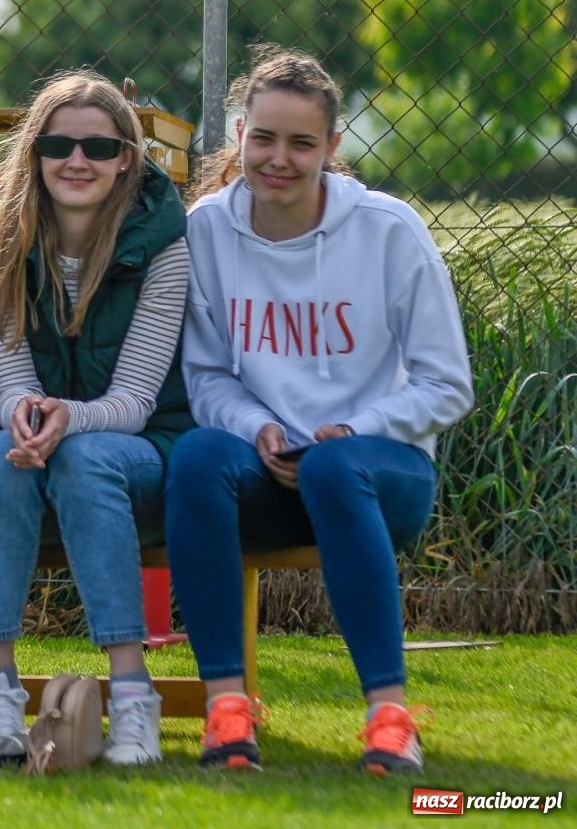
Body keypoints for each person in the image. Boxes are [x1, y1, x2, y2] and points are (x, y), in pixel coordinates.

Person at [167, 47, 473, 775]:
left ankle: (390, 718)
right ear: (239, 135)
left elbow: (447, 385)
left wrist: (358, 429)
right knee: (197, 456)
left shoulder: (388, 231)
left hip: (379, 475)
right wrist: (255, 427)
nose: (279, 158)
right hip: (265, 474)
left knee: (337, 466)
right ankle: (227, 708)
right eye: (264, 138)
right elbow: (207, 375)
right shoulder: (207, 229)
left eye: (302, 143)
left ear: (332, 148)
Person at [0, 70, 193, 765]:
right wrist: (27, 417)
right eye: (58, 145)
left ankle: (132, 696)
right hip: (43, 439)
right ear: (34, 153)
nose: (76, 161)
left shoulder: (163, 248)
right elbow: (8, 385)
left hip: (142, 447)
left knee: (86, 455)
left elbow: (133, 401)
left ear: (129, 156)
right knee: (2, 457)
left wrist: (65, 420)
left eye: (98, 148)